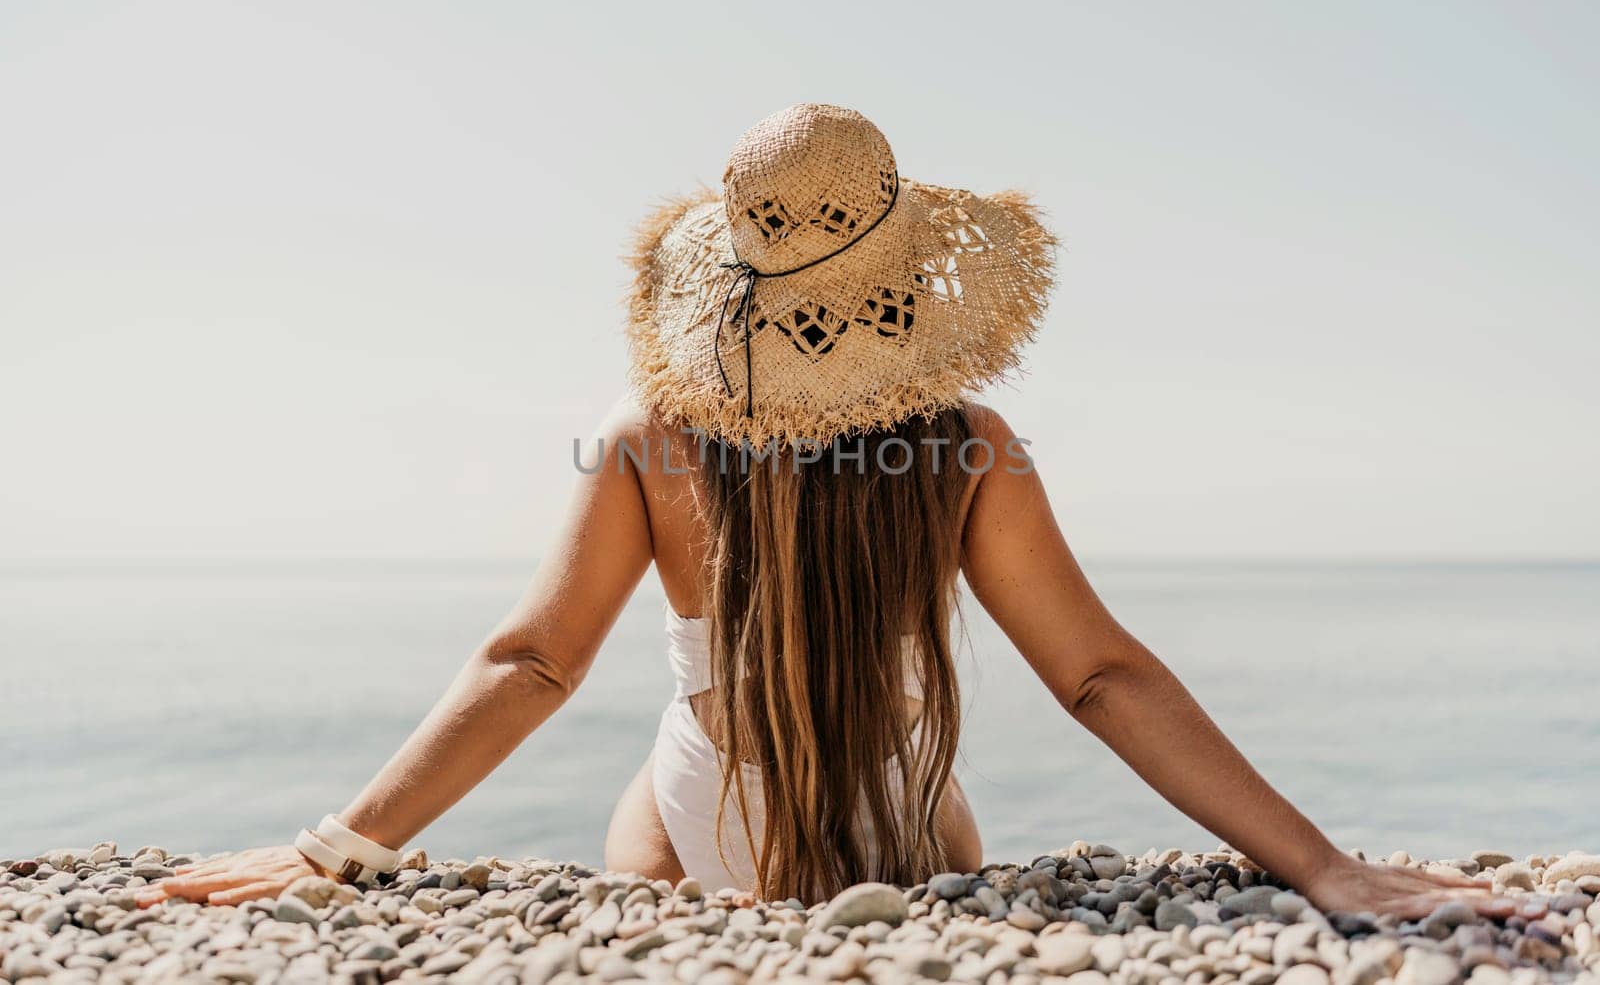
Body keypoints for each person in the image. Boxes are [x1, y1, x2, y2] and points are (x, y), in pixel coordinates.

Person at [137, 103, 1517, 917]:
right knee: (928, 791)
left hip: (703, 815)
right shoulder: (968, 451)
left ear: (733, 288)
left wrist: (342, 847)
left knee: (664, 763)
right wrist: (1327, 872)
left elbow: (533, 662)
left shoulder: (651, 440)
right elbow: (1099, 676)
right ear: (908, 288)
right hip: (901, 812)